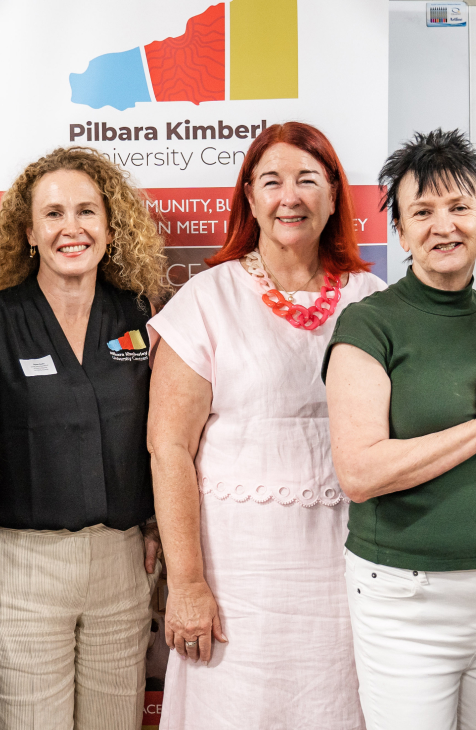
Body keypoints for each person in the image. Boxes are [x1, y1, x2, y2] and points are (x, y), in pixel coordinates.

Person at [146, 121, 386, 729]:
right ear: (249, 197)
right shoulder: (206, 298)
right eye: (272, 180)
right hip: (234, 570)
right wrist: (188, 585)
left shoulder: (374, 300)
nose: (291, 196)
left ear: (334, 195)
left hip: (345, 565)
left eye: (308, 179)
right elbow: (168, 449)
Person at [324, 129, 476, 730]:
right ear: (400, 231)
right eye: (421, 211)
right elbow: (360, 472)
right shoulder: (369, 324)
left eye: (460, 207)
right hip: (405, 602)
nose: (442, 225)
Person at [0, 146, 170, 729]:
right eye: (53, 214)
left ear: (110, 225)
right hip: (20, 566)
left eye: (86, 212)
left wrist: (157, 522)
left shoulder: (143, 315)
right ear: (28, 231)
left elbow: (164, 436)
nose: (71, 228)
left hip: (122, 566)